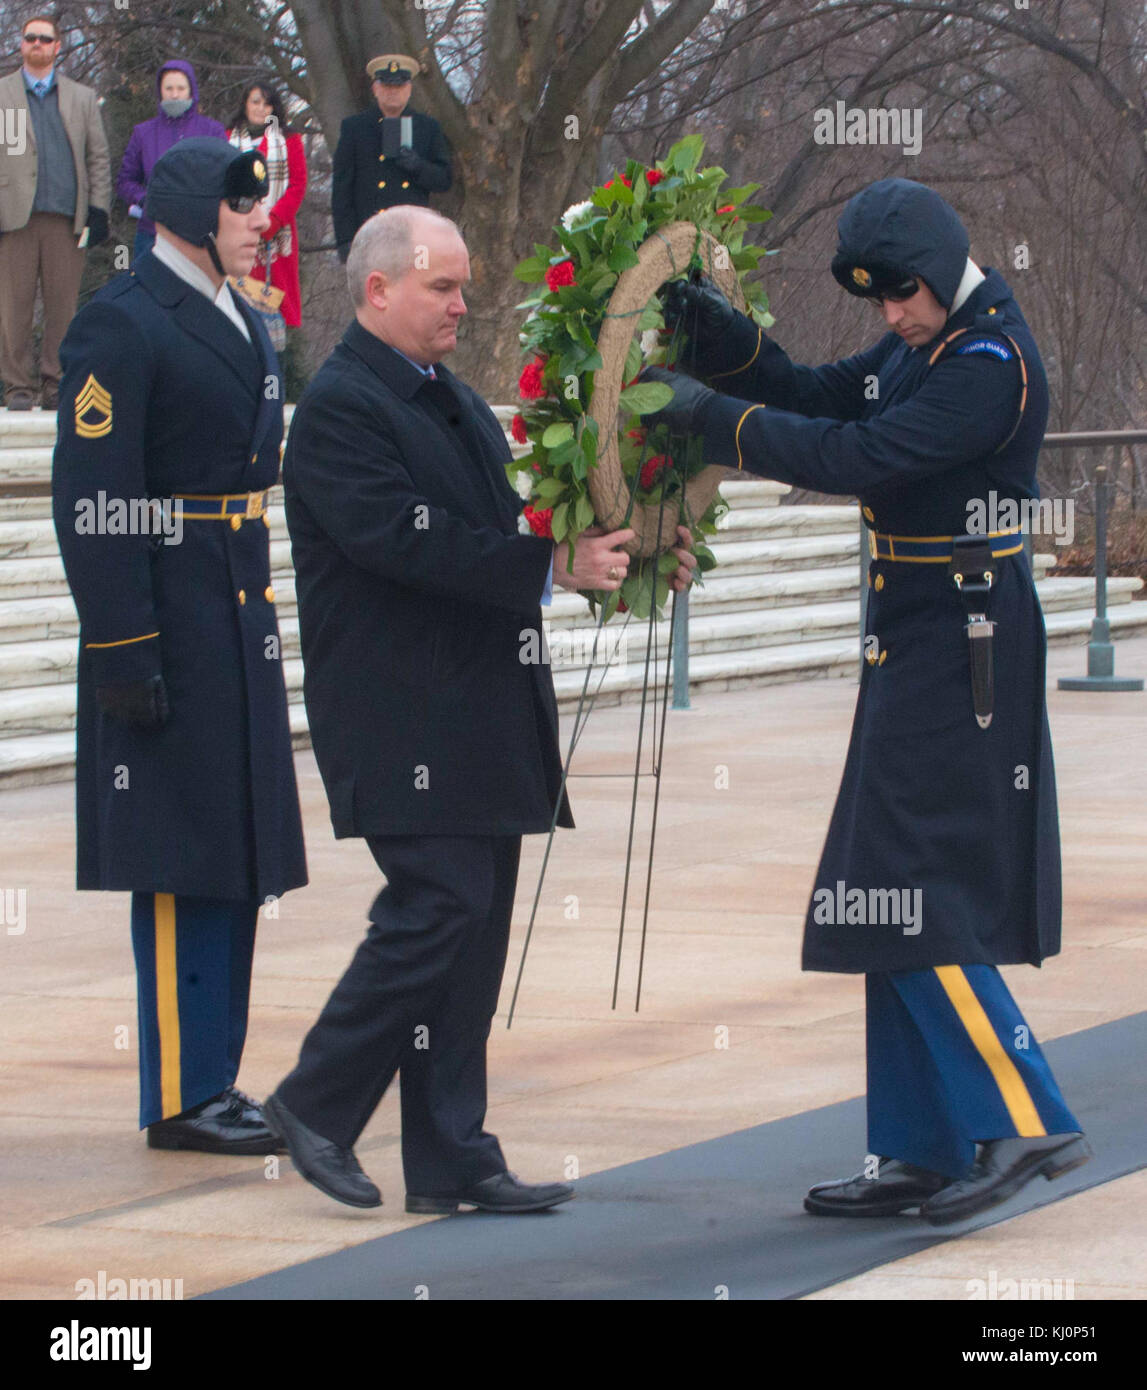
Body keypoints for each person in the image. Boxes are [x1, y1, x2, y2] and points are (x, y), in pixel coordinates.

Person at [642, 177, 1090, 1226]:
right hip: (919, 634)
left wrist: (713, 422)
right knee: (876, 892)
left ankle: (1022, 1113)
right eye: (878, 300)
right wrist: (730, 348)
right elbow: (824, 395)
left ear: (937, 274)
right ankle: (922, 1146)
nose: (887, 317)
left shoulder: (988, 363)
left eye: (900, 296)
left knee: (912, 884)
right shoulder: (926, 343)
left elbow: (859, 455)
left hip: (964, 642)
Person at [264, 204, 697, 1211]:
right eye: (442, 287)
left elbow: (503, 516)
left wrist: (622, 541)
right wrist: (547, 564)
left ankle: (452, 1151)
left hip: (477, 707)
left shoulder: (440, 394)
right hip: (401, 713)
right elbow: (403, 543)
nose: (464, 303)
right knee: (439, 905)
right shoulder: (339, 408)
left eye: (464, 285)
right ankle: (317, 1101)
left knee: (474, 927)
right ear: (377, 289)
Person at [52, 138, 307, 1154]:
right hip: (163, 615)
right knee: (176, 860)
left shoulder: (246, 318)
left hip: (233, 606)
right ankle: (179, 1091)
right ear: (196, 209)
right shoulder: (122, 324)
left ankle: (216, 1077)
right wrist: (123, 645)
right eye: (244, 207)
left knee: (230, 855)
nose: (260, 223)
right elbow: (92, 497)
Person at [0, 14, 110, 411]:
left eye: (45, 39)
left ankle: (56, 383)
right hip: (16, 218)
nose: (37, 44)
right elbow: (5, 154)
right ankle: (18, 387)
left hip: (68, 219)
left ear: (58, 46)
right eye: (30, 38)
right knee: (14, 307)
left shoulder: (81, 97)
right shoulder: (5, 96)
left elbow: (97, 156)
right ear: (22, 44)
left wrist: (98, 209)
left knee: (64, 307)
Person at [330, 53, 452, 263]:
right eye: (386, 86)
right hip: (369, 233)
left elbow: (444, 180)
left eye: (399, 86)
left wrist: (418, 166)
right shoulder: (355, 127)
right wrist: (345, 240)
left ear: (409, 88)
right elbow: (342, 189)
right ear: (375, 88)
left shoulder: (427, 127)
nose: (392, 92)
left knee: (415, 294)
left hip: (414, 233)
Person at [116, 60, 225, 259]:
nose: (175, 94)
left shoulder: (212, 131)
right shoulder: (143, 133)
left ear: (191, 91)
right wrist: (145, 200)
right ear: (160, 91)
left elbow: (225, 179)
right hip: (152, 234)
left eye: (181, 88)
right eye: (169, 88)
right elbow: (125, 181)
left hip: (199, 237)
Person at [226, 80, 307, 329]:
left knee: (277, 298)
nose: (261, 108)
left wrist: (273, 222)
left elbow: (298, 184)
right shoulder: (227, 138)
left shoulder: (289, 140)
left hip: (277, 234)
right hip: (237, 229)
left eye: (267, 103)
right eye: (256, 102)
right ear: (245, 105)